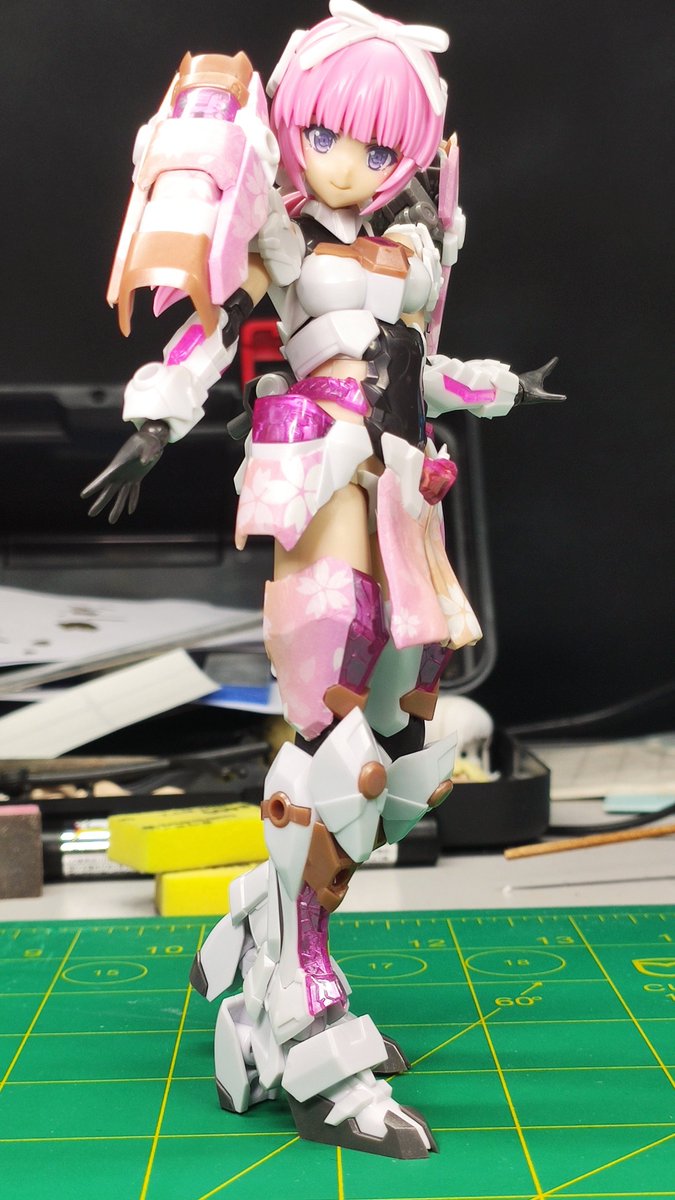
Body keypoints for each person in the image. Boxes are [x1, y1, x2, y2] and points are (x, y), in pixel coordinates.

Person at [83, 0, 562, 1158]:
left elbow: (413, 369)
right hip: (321, 480)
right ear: (290, 128)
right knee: (333, 745)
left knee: (409, 766)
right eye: (326, 136)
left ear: (413, 152)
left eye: (377, 146)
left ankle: (255, 942)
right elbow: (203, 338)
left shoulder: (414, 249)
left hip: (404, 489)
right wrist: (153, 420)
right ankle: (307, 1025)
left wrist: (494, 387)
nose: (345, 163)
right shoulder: (280, 238)